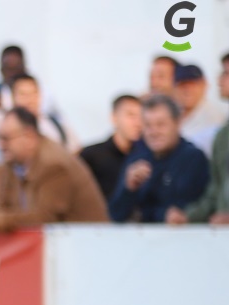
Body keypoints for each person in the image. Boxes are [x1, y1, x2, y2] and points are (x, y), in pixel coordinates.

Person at [0, 107, 108, 232]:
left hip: (85, 249)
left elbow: (45, 217)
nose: (0, 145)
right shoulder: (12, 163)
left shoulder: (54, 164)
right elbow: (5, 209)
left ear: (30, 137)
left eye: (5, 138)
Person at [109, 95, 209, 223]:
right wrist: (128, 188)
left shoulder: (193, 159)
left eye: (161, 124)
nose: (154, 132)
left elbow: (182, 210)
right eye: (148, 125)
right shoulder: (136, 159)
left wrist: (148, 214)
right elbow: (115, 214)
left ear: (177, 123)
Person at [0, 45, 60, 155]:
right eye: (8, 69)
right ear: (1, 70)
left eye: (16, 69)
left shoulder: (44, 94)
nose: (12, 74)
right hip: (4, 164)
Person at [169, 53, 229, 225]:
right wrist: (188, 216)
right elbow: (215, 190)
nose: (219, 79)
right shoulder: (223, 135)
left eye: (226, 73)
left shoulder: (215, 123)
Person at [80, 95, 143, 201]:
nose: (137, 123)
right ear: (114, 117)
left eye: (141, 117)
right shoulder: (91, 156)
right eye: (131, 115)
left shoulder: (145, 158)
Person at [9, 74, 79, 153]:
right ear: (12, 98)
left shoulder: (56, 123)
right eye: (23, 94)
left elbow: (75, 149)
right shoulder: (6, 131)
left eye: (34, 93)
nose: (30, 100)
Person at [172, 64, 227, 158]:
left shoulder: (217, 116)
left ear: (204, 85)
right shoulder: (172, 115)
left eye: (192, 84)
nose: (187, 90)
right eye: (182, 85)